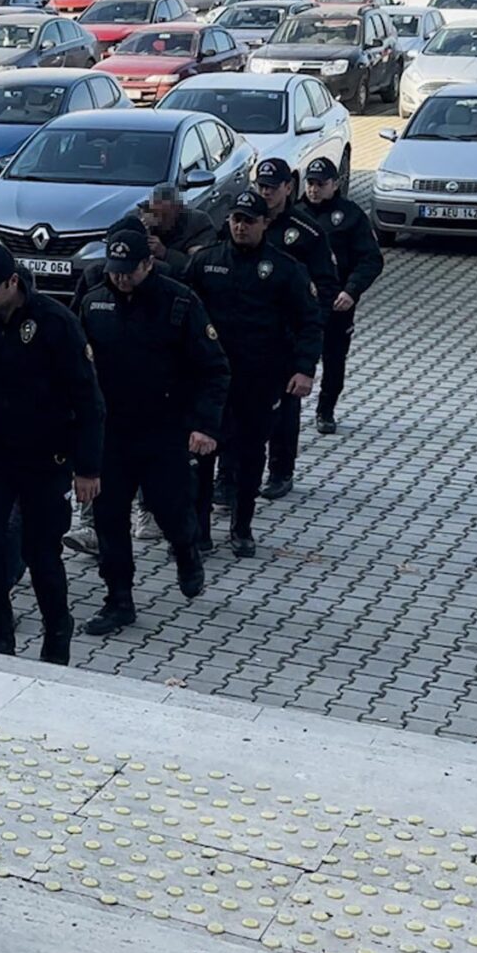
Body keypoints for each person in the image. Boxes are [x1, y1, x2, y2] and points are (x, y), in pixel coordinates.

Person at [75, 224, 230, 636]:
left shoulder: (180, 303)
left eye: (129, 269)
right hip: (112, 435)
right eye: (114, 269)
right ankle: (119, 600)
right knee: (109, 521)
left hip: (163, 431)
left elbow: (214, 368)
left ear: (149, 263)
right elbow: (76, 371)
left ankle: (186, 551)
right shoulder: (93, 304)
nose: (120, 277)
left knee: (171, 511)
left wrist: (204, 424)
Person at [0, 242, 104, 663]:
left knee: (41, 553)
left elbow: (88, 399)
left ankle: (57, 629)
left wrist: (88, 467)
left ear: (13, 281)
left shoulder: (56, 323)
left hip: (46, 458)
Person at [183, 191, 322, 559]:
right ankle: (199, 531)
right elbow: (180, 312)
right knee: (199, 454)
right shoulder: (206, 263)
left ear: (265, 224)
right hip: (210, 380)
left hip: (260, 379)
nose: (241, 226)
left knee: (249, 456)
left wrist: (304, 369)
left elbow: (309, 321)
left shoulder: (285, 268)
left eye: (249, 220)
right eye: (235, 219)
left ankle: (241, 527)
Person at [253, 157, 339, 500]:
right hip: (246, 332)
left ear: (289, 187)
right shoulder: (245, 221)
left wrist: (308, 338)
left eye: (272, 188)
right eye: (261, 186)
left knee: (285, 409)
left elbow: (324, 287)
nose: (266, 193)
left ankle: (280, 472)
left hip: (286, 336)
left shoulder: (307, 232)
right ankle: (229, 478)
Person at [300, 157, 383, 434]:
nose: (314, 190)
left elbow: (371, 259)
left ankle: (325, 410)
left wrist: (352, 290)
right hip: (299, 305)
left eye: (320, 184)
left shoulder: (350, 216)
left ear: (335, 184)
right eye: (310, 184)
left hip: (337, 304)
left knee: (334, 360)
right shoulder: (295, 215)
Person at [139, 183, 218, 264]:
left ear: (178, 209)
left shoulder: (198, 223)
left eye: (164, 215)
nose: (160, 220)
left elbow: (202, 262)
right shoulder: (143, 220)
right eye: (155, 213)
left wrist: (165, 253)